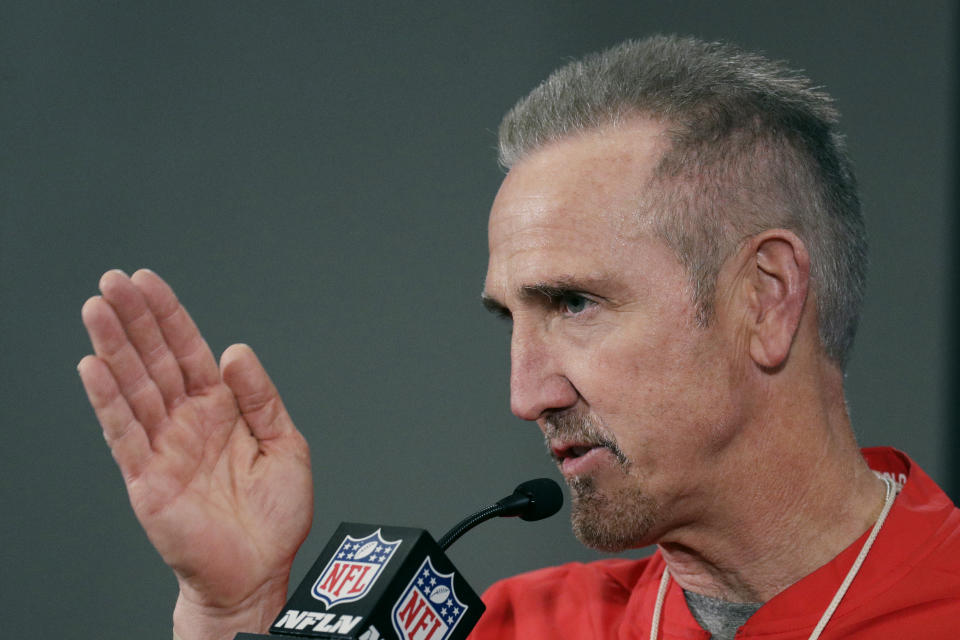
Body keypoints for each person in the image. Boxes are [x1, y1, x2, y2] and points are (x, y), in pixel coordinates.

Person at [79, 35, 960, 640]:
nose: (526, 394)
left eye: (574, 303)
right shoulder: (504, 628)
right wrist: (233, 612)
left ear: (765, 298)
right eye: (512, 318)